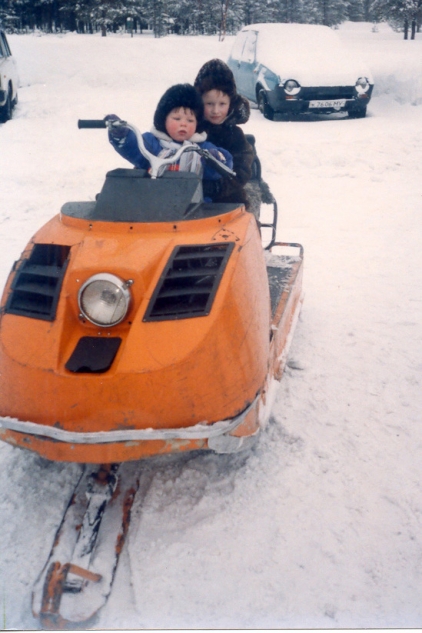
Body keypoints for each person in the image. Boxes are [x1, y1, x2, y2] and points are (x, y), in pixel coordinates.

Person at [106, 83, 232, 197]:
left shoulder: (201, 148)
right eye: (177, 119)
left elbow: (222, 165)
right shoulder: (153, 143)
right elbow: (136, 147)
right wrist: (122, 134)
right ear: (163, 119)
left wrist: (215, 159)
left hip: (192, 206)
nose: (183, 124)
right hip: (153, 201)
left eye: (190, 120)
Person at [193, 59, 255, 210]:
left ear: (231, 103)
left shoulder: (234, 135)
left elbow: (242, 170)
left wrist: (216, 187)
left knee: (242, 218)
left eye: (222, 104)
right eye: (209, 104)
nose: (216, 111)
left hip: (227, 198)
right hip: (187, 196)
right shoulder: (190, 128)